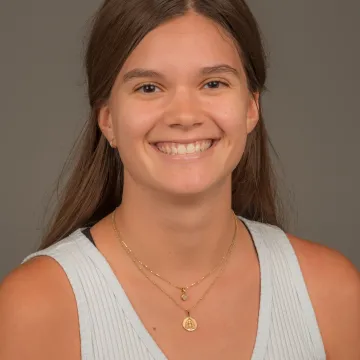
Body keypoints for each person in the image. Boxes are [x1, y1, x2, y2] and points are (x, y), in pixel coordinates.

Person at [0, 0, 359, 359]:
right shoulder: (35, 307)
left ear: (251, 108)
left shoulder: (331, 293)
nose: (185, 116)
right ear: (107, 119)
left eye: (213, 83)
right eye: (149, 88)